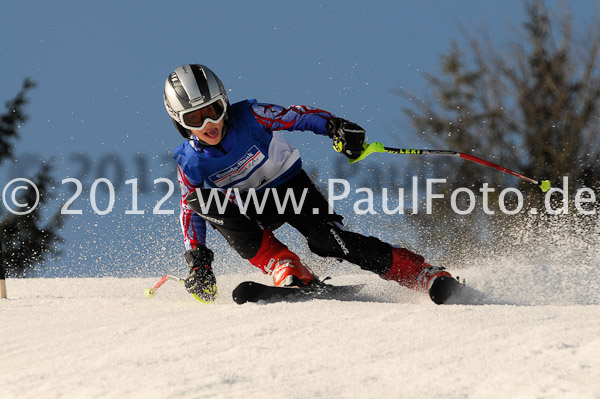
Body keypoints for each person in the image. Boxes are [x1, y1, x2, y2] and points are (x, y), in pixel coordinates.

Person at [163, 64, 457, 304]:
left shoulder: (251, 117)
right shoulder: (190, 161)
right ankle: (285, 266)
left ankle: (421, 273)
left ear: (224, 103)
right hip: (252, 209)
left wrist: (335, 126)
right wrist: (198, 262)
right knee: (199, 200)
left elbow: (297, 116)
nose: (207, 125)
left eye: (213, 111)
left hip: (292, 188)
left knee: (326, 241)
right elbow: (190, 213)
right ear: (180, 122)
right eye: (194, 119)